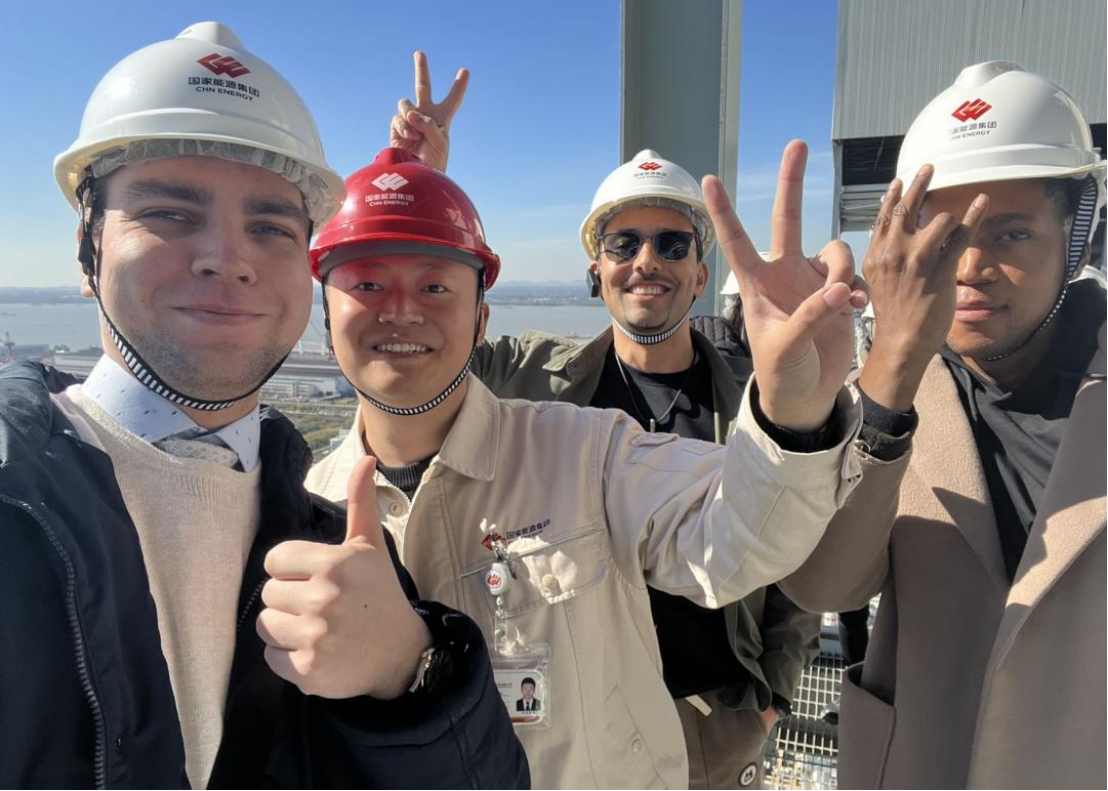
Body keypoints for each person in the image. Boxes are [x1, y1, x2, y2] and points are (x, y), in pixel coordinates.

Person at [0, 23, 527, 790]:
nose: (229, 258)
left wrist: (411, 674)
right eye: (170, 213)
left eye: (271, 227)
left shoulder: (339, 545)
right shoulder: (14, 499)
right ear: (89, 247)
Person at [306, 138, 866, 788]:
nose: (401, 307)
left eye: (672, 244)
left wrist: (793, 416)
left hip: (711, 709)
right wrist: (415, 183)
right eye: (368, 283)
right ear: (596, 270)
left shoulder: (595, 447)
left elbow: (754, 536)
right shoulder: (308, 505)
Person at [780, 61, 1107, 789]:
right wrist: (892, 369)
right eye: (944, 236)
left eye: (1011, 234)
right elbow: (824, 583)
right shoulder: (891, 392)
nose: (971, 266)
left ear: (1078, 239)